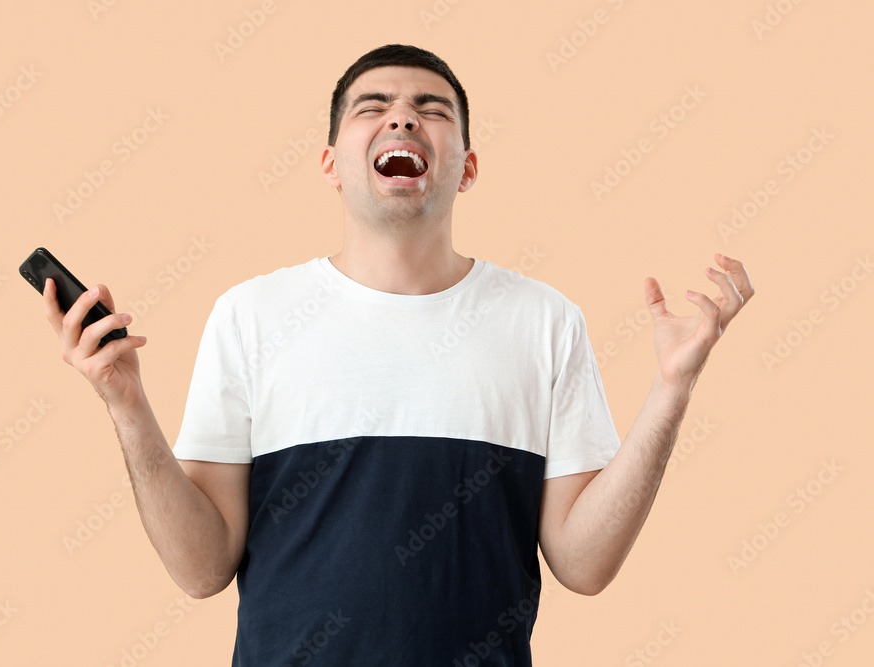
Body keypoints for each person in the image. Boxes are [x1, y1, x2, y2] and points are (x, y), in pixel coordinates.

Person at [43, 44, 754, 665]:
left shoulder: (544, 321)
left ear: (467, 167)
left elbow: (586, 562)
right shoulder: (249, 316)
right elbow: (201, 568)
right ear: (330, 162)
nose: (403, 117)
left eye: (431, 108)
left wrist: (672, 388)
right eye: (372, 106)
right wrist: (126, 402)